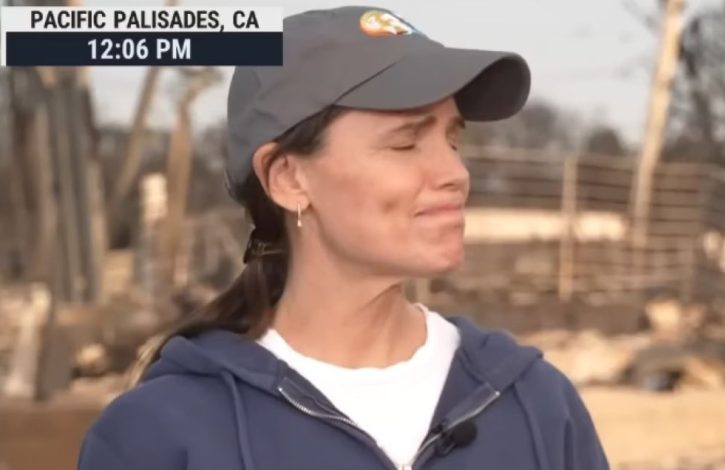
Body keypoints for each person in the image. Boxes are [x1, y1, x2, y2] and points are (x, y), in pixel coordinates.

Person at [78, 6, 609, 470]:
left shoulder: (537, 406)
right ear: (289, 179)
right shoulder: (159, 435)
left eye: (451, 139)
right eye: (406, 143)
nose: (455, 173)